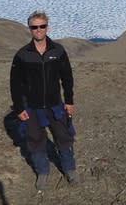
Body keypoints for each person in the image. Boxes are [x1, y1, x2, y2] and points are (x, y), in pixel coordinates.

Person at [10, 11, 79, 191]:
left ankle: (69, 169)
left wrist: (69, 101)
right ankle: (42, 172)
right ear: (29, 29)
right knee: (35, 139)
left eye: (42, 26)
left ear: (47, 27)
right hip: (31, 107)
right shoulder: (22, 55)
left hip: (55, 104)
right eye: (34, 27)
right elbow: (15, 84)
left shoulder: (58, 51)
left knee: (64, 137)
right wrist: (19, 107)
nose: (38, 30)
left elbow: (67, 78)